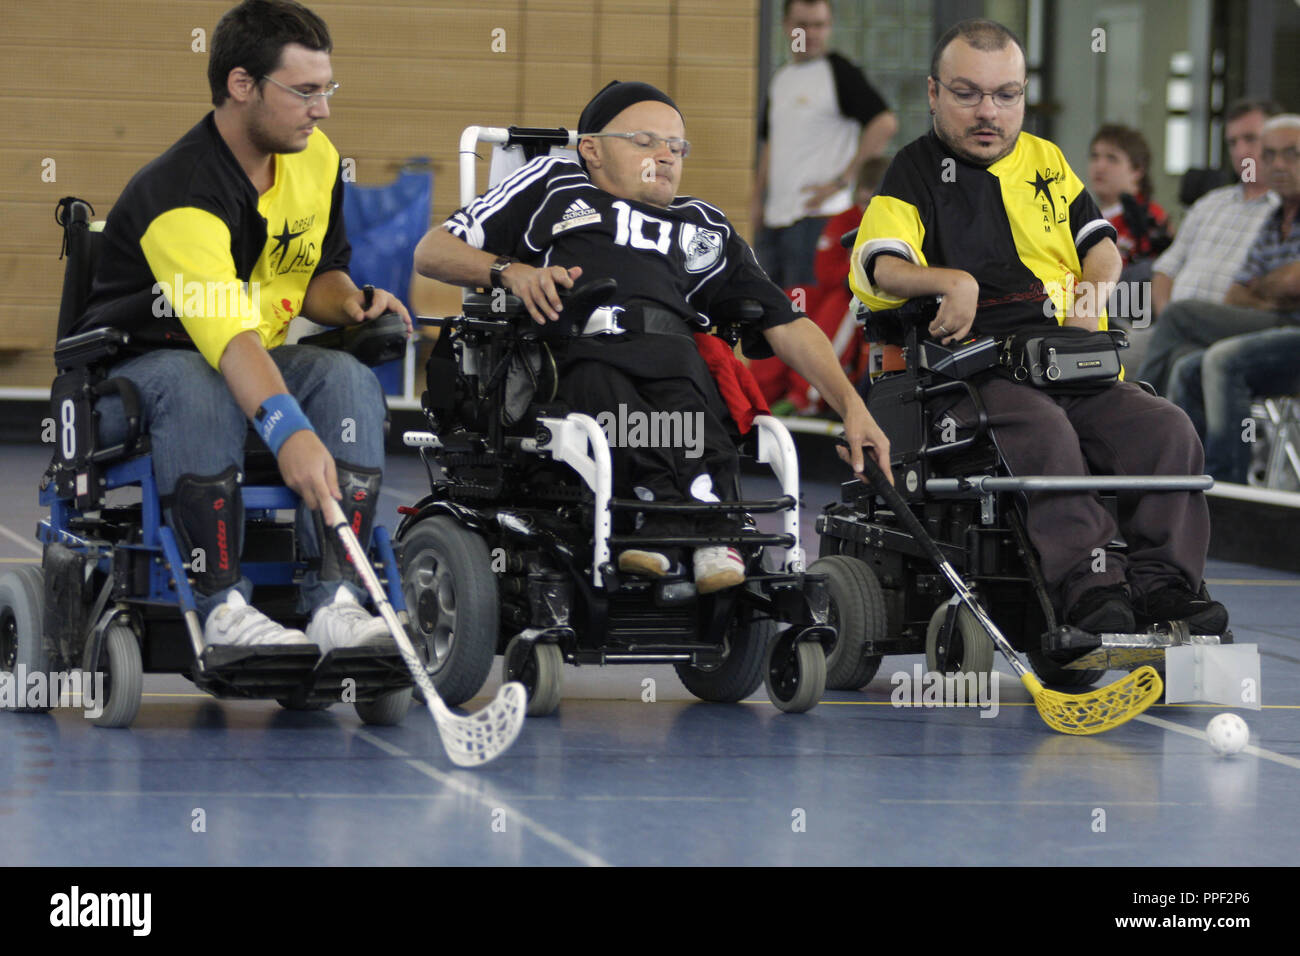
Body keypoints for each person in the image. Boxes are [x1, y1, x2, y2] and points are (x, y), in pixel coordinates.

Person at [414, 80, 891, 595]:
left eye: (676, 146)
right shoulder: (551, 183)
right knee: (612, 389)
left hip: (673, 358)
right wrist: (512, 272)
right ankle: (660, 520)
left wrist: (853, 408)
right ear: (591, 149)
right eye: (645, 141)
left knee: (689, 390)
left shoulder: (704, 226)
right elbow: (433, 251)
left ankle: (701, 526)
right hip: (577, 353)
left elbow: (787, 324)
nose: (665, 155)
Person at [850, 18, 1226, 636]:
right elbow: (879, 265)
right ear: (934, 93)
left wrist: (1095, 287)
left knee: (1166, 428)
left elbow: (1100, 244)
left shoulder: (1046, 160)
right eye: (967, 93)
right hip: (972, 372)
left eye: (1007, 95)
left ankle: (1165, 587)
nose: (988, 113)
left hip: (1066, 360)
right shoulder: (914, 170)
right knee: (1045, 431)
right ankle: (1090, 587)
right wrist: (951, 281)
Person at [74, 0, 413, 650]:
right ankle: (221, 606)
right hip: (133, 384)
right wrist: (289, 433)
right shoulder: (178, 195)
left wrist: (350, 303)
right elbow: (230, 341)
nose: (323, 109)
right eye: (305, 91)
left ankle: (334, 600)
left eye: (327, 89)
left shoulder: (315, 161)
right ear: (241, 85)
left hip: (250, 363)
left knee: (344, 377)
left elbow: (317, 273)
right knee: (196, 380)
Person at [1164, 115, 1300, 483]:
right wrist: (1275, 293)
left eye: (1292, 155)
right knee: (1189, 367)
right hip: (1274, 329)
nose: (1279, 165)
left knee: (1215, 351)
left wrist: (1268, 288)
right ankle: (1181, 480)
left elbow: (1293, 282)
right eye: (1270, 156)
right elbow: (1237, 293)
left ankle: (1225, 488)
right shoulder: (1275, 219)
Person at [1137, 103, 1286, 394]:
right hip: (1176, 327)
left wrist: (1182, 320)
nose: (1241, 150)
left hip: (1234, 328)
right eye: (1233, 142)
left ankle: (1141, 420)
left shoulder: (1285, 212)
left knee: (1183, 361)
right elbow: (1166, 269)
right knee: (1108, 353)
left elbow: (1272, 292)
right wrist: (1171, 318)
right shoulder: (1210, 203)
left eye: (1250, 139)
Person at [751, 0, 897, 289]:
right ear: (787, 27)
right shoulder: (781, 79)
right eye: (803, 25)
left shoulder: (839, 72)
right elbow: (771, 142)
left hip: (818, 218)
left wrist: (843, 181)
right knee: (770, 315)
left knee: (807, 315)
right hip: (776, 219)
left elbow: (884, 123)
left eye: (819, 25)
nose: (812, 33)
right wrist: (757, 198)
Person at [759, 156, 890, 414]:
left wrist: (855, 271)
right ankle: (762, 392)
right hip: (839, 290)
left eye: (871, 203)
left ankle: (806, 395)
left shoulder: (899, 222)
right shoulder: (845, 220)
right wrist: (856, 270)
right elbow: (826, 272)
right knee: (792, 300)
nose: (865, 210)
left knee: (843, 307)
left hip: (868, 300)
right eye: (862, 202)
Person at [1086, 124, 1171, 275]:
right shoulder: (1081, 215)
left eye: (1112, 159)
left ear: (1137, 170)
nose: (1099, 166)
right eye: (1095, 156)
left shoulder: (1150, 217)